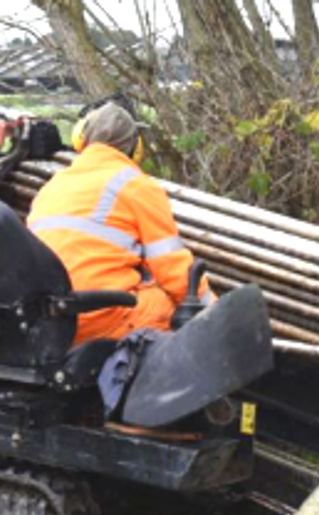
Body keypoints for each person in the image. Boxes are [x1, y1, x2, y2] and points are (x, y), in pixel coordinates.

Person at [27, 101, 212, 344]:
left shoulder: (52, 186)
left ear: (81, 141)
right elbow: (172, 267)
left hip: (49, 319)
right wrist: (213, 312)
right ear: (136, 148)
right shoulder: (136, 186)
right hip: (101, 316)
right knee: (169, 306)